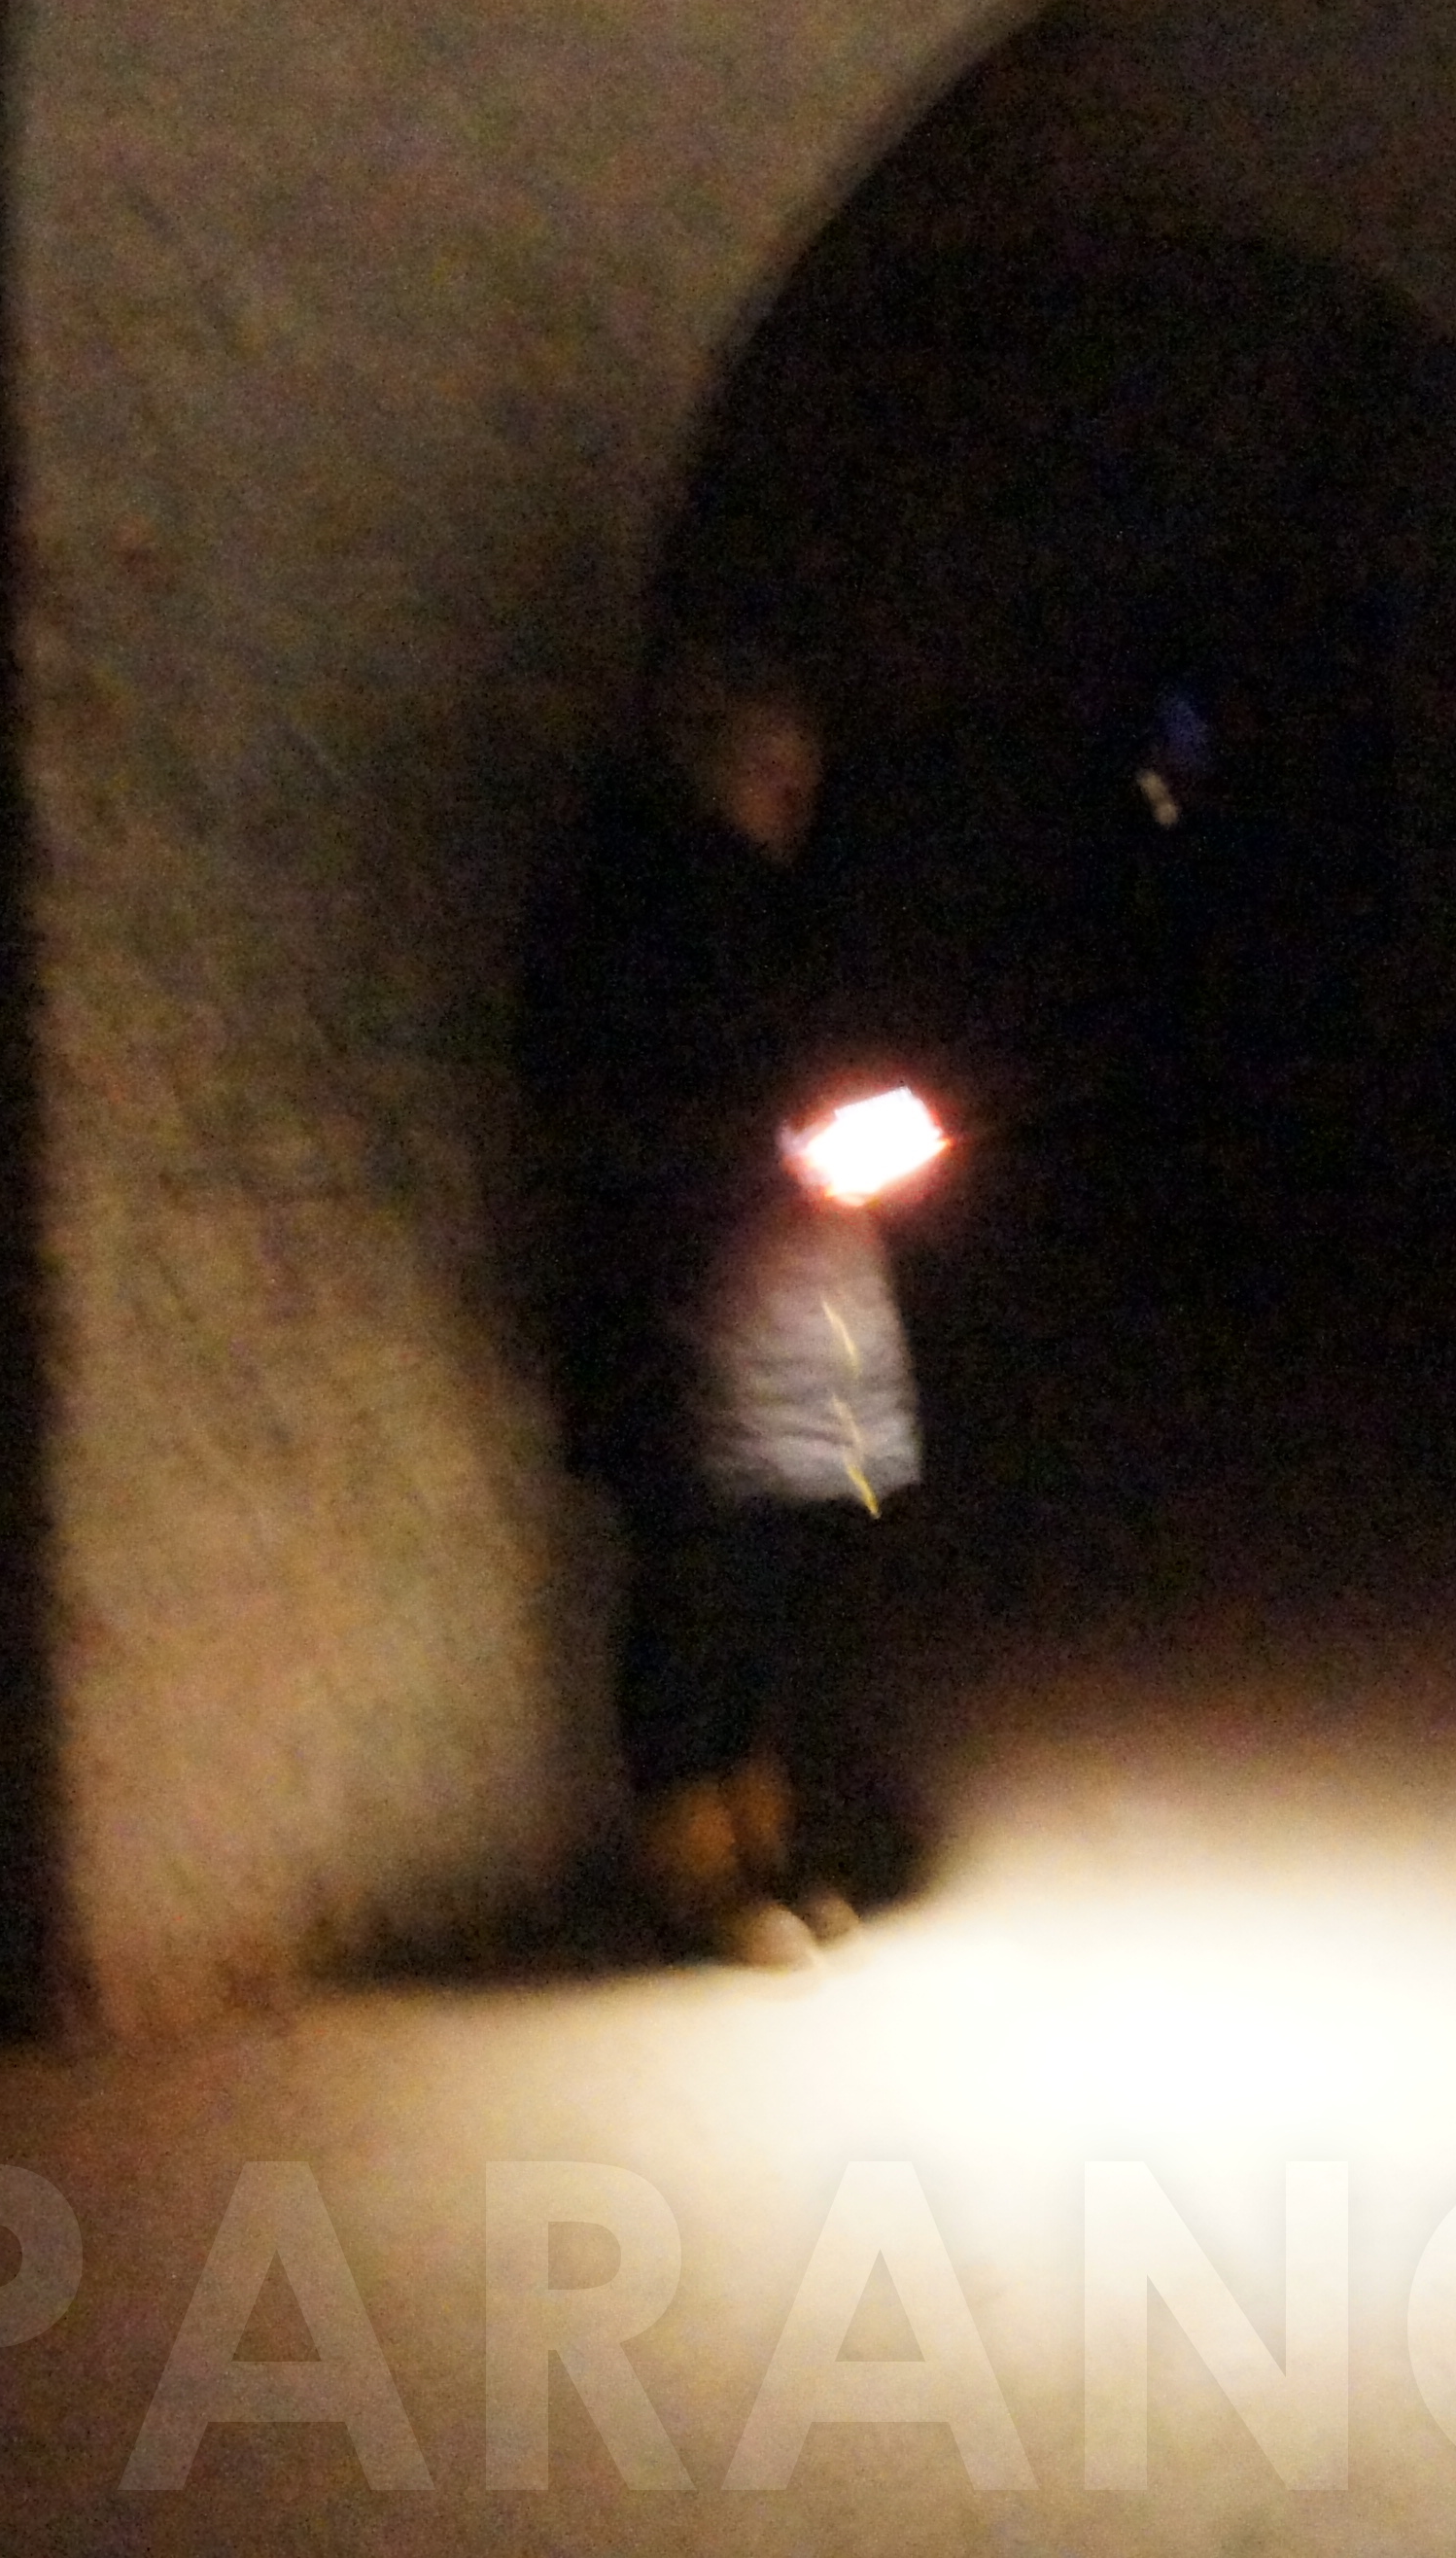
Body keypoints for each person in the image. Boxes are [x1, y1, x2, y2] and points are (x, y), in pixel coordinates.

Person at [516, 643, 933, 1967]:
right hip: (689, 1309)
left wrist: (860, 1131)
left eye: (804, 767)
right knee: (694, 1581)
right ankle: (692, 1870)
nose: (792, 792)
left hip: (795, 1293)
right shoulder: (632, 918)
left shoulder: (777, 911)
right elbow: (626, 1114)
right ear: (699, 771)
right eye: (765, 767)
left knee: (767, 1575)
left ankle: (764, 1836)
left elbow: (805, 1066)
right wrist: (783, 1154)